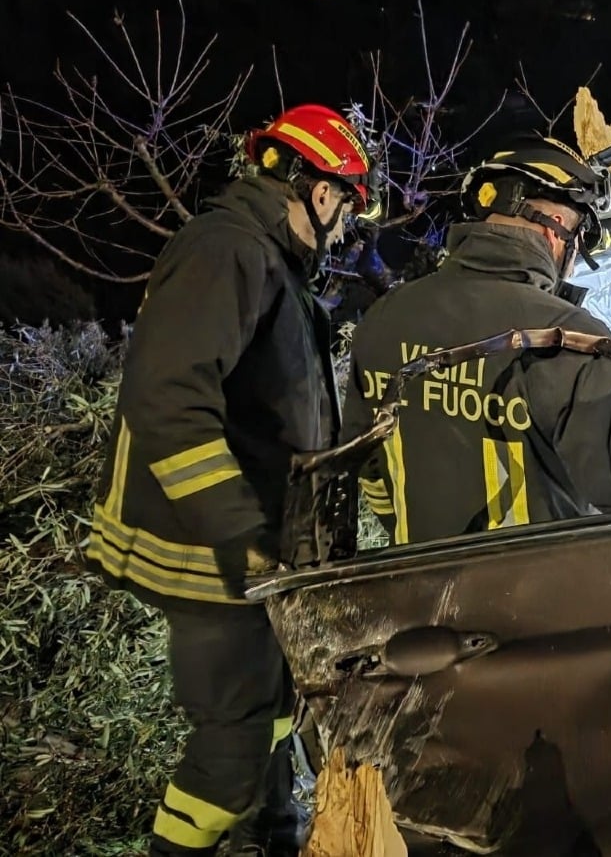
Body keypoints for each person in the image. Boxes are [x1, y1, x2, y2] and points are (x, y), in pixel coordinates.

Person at [84, 104, 378, 856]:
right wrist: (239, 530)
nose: (345, 227)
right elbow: (168, 398)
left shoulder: (261, 258)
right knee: (231, 754)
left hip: (248, 557)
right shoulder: (229, 252)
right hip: (211, 559)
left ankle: (270, 839)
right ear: (321, 192)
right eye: (347, 207)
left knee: (271, 712)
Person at [340, 135, 611, 547]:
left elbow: (366, 469)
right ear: (556, 232)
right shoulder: (570, 336)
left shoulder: (386, 317)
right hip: (535, 586)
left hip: (415, 580)